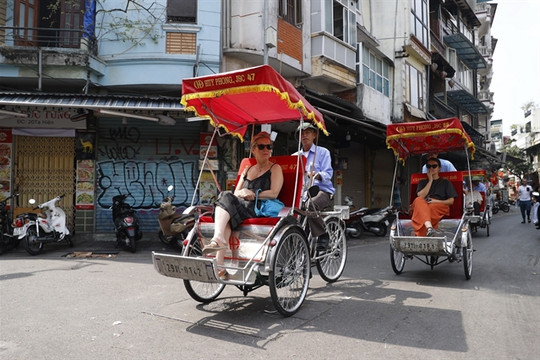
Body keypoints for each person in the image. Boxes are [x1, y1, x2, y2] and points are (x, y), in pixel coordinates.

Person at [203, 131, 284, 278]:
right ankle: (219, 260)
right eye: (261, 146)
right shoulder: (247, 170)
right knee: (225, 198)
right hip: (241, 206)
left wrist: (253, 194)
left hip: (257, 208)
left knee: (224, 198)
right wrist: (242, 192)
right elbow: (236, 193)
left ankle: (218, 240)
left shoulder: (275, 168)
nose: (266, 150)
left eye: (269, 147)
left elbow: (274, 193)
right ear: (253, 149)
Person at [294, 122, 335, 247]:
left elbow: (328, 173)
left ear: (314, 135)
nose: (304, 136)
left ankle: (323, 234)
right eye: (302, 133)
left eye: (308, 133)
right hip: (302, 194)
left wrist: (317, 175)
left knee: (310, 205)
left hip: (322, 191)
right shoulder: (295, 157)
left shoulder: (323, 152)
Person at [411, 157, 458, 236]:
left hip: (439, 205)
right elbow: (421, 195)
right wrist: (430, 181)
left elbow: (451, 201)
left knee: (427, 209)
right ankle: (429, 227)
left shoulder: (446, 182)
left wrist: (435, 201)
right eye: (429, 166)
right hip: (424, 204)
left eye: (434, 166)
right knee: (418, 200)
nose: (431, 168)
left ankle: (421, 235)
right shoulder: (422, 182)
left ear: (439, 168)